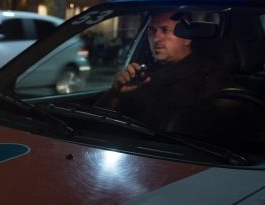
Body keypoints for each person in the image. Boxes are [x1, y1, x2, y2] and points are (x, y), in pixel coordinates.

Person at [97, 11, 233, 128]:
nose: (156, 38)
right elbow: (101, 121)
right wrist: (114, 94)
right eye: (152, 31)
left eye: (165, 30)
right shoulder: (140, 74)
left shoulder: (210, 74)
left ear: (187, 37)